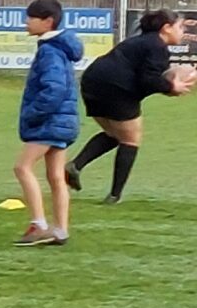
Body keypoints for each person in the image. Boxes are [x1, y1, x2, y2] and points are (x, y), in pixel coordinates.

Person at [70, 10, 193, 203]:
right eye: (180, 27)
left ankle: (75, 166)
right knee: (131, 139)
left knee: (114, 134)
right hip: (116, 88)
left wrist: (169, 83)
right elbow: (149, 80)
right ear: (166, 28)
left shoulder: (141, 42)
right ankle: (114, 195)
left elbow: (148, 77)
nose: (183, 31)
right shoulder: (157, 46)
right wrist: (172, 86)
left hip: (92, 82)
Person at [15, 0, 83, 246]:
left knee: (22, 167)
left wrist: (33, 113)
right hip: (64, 122)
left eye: (31, 18)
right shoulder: (61, 48)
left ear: (47, 22)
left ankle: (39, 225)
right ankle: (61, 230)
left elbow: (54, 88)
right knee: (55, 175)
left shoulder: (49, 51)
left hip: (50, 122)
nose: (26, 22)